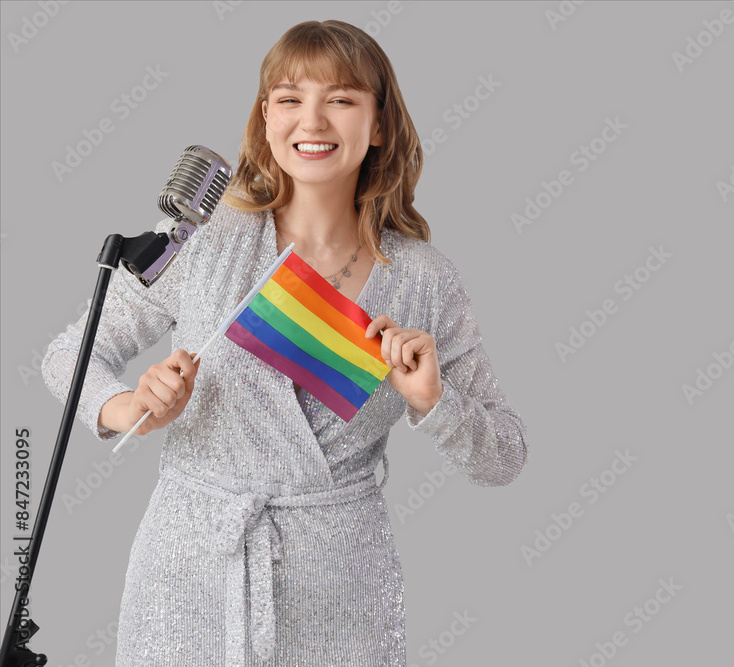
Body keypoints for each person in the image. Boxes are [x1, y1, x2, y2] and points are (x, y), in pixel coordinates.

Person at [40, 19, 528, 666]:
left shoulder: (423, 281)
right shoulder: (204, 238)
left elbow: (504, 455)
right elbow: (68, 354)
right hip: (187, 577)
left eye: (343, 99)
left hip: (341, 593)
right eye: (290, 99)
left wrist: (434, 401)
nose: (313, 120)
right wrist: (132, 406)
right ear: (266, 116)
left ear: (379, 124)